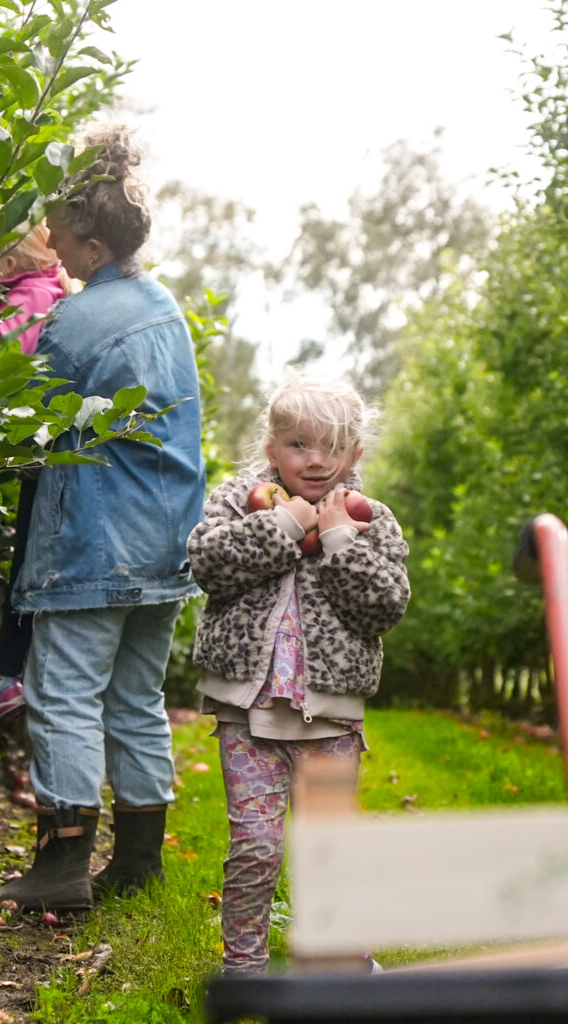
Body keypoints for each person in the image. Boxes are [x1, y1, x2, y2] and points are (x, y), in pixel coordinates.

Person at [0, 125, 206, 912]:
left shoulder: (76, 322)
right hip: (163, 542)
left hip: (93, 542)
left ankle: (61, 867)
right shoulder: (161, 307)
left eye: (64, 241)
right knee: (133, 700)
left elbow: (18, 422)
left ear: (96, 246)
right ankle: (137, 863)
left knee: (63, 693)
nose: (57, 255)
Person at [187, 375, 410, 974]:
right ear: (271, 447)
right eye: (300, 445)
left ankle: (340, 962)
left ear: (356, 453)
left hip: (331, 718)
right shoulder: (238, 501)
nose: (317, 461)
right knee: (256, 847)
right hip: (247, 713)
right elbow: (208, 564)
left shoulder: (370, 521)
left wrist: (337, 539)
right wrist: (285, 526)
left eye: (333, 447)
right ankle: (244, 967)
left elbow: (384, 606)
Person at [0, 224, 80, 737]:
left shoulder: (28, 297)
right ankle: (14, 673)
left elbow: (2, 365)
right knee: (27, 560)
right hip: (43, 452)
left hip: (34, 450)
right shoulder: (48, 286)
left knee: (25, 566)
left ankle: (12, 675)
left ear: (6, 267)